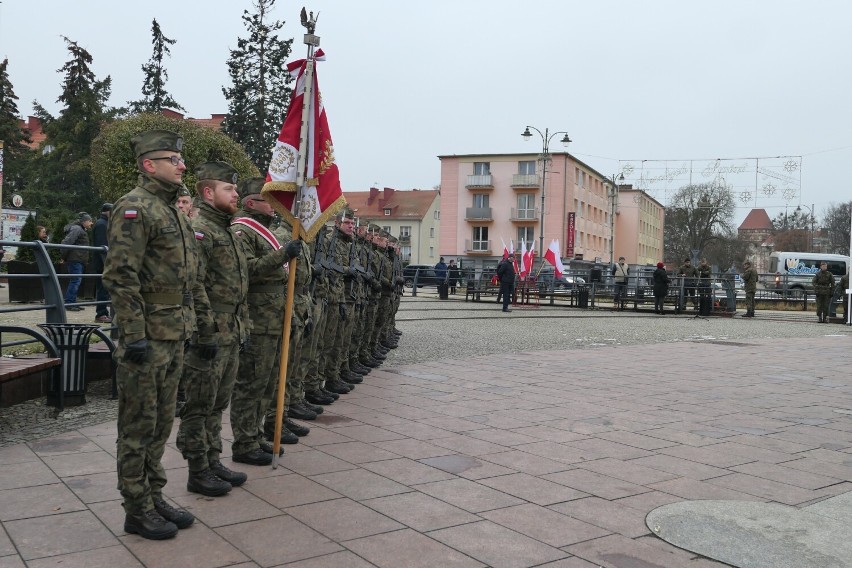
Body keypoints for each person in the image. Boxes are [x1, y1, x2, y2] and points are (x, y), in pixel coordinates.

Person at [103, 129, 198, 540]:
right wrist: (134, 333)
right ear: (148, 164)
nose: (181, 165)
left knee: (161, 424)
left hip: (173, 332)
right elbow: (120, 276)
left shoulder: (172, 211)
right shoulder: (135, 208)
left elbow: (185, 280)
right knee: (138, 426)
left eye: (180, 160)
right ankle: (136, 507)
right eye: (172, 160)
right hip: (148, 336)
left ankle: (154, 495)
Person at [176, 162, 249, 498]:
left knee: (218, 402)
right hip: (211, 329)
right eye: (229, 189)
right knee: (200, 403)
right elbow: (195, 284)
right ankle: (197, 469)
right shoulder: (201, 229)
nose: (236, 194)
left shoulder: (226, 229)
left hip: (231, 328)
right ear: (208, 192)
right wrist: (204, 331)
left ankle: (212, 458)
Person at [230, 178, 304, 466]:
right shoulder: (242, 231)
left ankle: (256, 434)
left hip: (274, 316)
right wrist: (283, 254)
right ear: (251, 203)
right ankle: (243, 441)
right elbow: (248, 270)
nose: (275, 207)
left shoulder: (265, 232)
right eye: (268, 201)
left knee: (268, 382)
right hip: (257, 318)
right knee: (251, 383)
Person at [61, 212, 93, 310]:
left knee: (76, 281)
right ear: (85, 221)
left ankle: (72, 302)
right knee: (75, 281)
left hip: (77, 259)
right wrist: (64, 256)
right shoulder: (77, 229)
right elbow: (66, 242)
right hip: (75, 259)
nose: (91, 223)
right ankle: (70, 303)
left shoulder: (79, 229)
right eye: (90, 221)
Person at [92, 203, 113, 323]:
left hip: (103, 261)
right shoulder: (102, 225)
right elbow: (103, 246)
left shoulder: (103, 223)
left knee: (104, 288)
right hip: (102, 262)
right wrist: (107, 263)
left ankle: (103, 312)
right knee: (102, 288)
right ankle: (101, 313)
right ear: (108, 212)